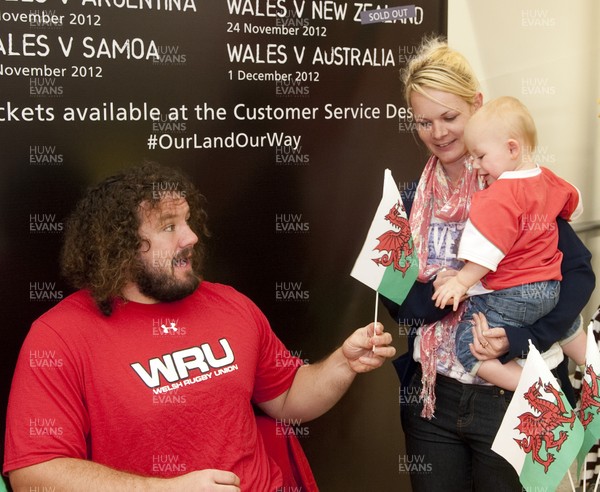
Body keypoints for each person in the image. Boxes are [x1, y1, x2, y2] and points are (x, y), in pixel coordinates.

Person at [3, 162, 396, 491]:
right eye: (169, 226)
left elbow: (290, 398)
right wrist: (164, 490)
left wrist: (344, 363)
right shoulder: (59, 337)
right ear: (119, 245)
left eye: (188, 221)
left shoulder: (229, 304)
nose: (191, 237)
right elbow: (32, 475)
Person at [382, 36, 595, 491]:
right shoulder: (407, 200)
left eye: (450, 117)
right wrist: (448, 293)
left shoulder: (518, 186)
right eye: (424, 122)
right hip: (432, 403)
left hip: (511, 397)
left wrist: (520, 336)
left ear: (476, 104)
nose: (438, 133)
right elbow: (397, 303)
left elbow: (575, 275)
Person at [431, 96, 586, 391]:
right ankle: (592, 364)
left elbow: (487, 249)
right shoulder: (549, 180)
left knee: (467, 345)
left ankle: (535, 387)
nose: (475, 165)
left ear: (512, 148)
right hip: (552, 288)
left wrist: (461, 282)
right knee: (564, 320)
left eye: (480, 156)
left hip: (513, 295)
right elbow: (575, 205)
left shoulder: (497, 196)